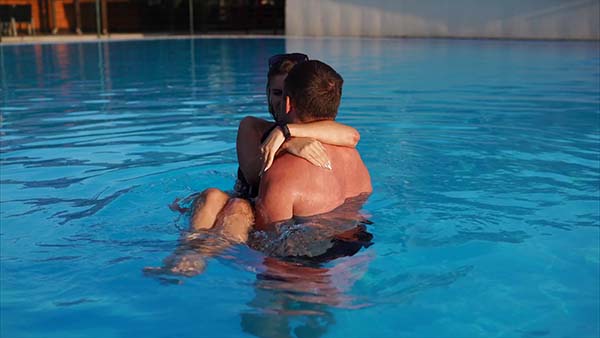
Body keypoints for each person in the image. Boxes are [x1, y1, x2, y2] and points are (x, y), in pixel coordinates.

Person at [182, 53, 360, 232]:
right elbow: (253, 175)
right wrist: (285, 145)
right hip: (248, 202)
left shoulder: (308, 130)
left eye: (286, 94)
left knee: (233, 205)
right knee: (215, 197)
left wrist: (287, 133)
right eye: (276, 93)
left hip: (262, 210)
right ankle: (189, 255)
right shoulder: (252, 127)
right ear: (267, 92)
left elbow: (352, 136)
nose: (280, 101)